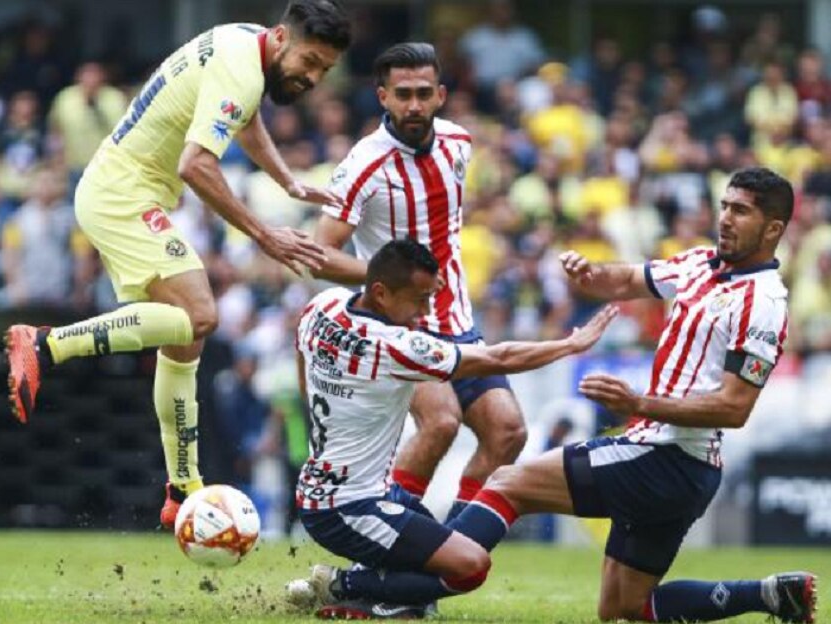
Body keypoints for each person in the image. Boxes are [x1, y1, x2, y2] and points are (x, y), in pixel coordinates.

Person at [4, 0, 352, 528]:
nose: (313, 77)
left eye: (324, 70)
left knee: (185, 338)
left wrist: (287, 182)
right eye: (310, 61)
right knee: (202, 316)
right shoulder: (242, 65)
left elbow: (246, 115)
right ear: (282, 38)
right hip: (123, 195)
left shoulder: (246, 42)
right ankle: (46, 345)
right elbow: (195, 164)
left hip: (122, 190)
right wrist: (263, 234)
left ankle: (182, 488)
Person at [452, 168, 818, 623]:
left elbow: (734, 407)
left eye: (740, 211)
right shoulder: (699, 263)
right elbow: (627, 281)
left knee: (507, 484)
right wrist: (590, 274)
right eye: (724, 206)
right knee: (622, 608)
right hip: (682, 469)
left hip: (665, 455)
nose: (724, 218)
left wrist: (639, 404)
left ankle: (409, 584)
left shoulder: (763, 303)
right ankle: (765, 596)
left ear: (773, 229)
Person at [287, 239, 616, 619]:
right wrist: (570, 344)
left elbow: (301, 350)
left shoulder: (323, 306)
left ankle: (381, 600)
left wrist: (315, 408)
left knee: (436, 556)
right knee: (469, 566)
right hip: (347, 508)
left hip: (330, 491)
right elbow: (497, 357)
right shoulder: (393, 345)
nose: (425, 312)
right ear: (380, 292)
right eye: (419, 299)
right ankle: (344, 585)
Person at [312, 43, 526, 522]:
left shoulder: (460, 144)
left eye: (423, 93)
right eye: (403, 94)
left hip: (458, 322)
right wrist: (389, 280)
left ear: (441, 95)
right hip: (400, 328)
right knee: (442, 423)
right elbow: (320, 254)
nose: (414, 105)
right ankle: (381, 550)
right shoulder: (365, 162)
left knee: (507, 432)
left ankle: (452, 546)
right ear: (382, 97)